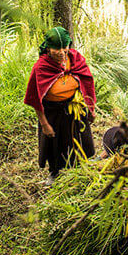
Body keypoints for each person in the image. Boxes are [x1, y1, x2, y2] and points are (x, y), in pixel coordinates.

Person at [23, 27, 96, 184]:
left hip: (74, 108)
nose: (62, 52)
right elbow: (34, 97)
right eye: (57, 48)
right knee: (55, 144)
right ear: (48, 48)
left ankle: (81, 166)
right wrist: (44, 123)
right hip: (52, 112)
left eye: (65, 47)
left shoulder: (75, 59)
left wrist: (90, 107)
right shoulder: (41, 67)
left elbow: (87, 81)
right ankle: (55, 172)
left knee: (79, 138)